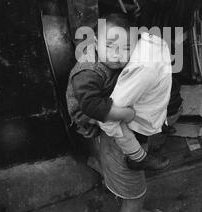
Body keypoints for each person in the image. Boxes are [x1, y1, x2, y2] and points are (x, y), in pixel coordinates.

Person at [99, 30, 173, 212]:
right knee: (134, 197)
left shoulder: (151, 45)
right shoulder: (146, 64)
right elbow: (107, 118)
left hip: (136, 136)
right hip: (123, 143)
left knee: (134, 193)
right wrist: (133, 148)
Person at [66, 13, 169, 172]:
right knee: (119, 127)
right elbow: (91, 106)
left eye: (127, 48)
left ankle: (103, 164)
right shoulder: (88, 72)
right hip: (85, 110)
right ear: (95, 43)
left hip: (102, 96)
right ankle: (138, 158)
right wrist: (124, 114)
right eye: (109, 46)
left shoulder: (113, 61)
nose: (116, 55)